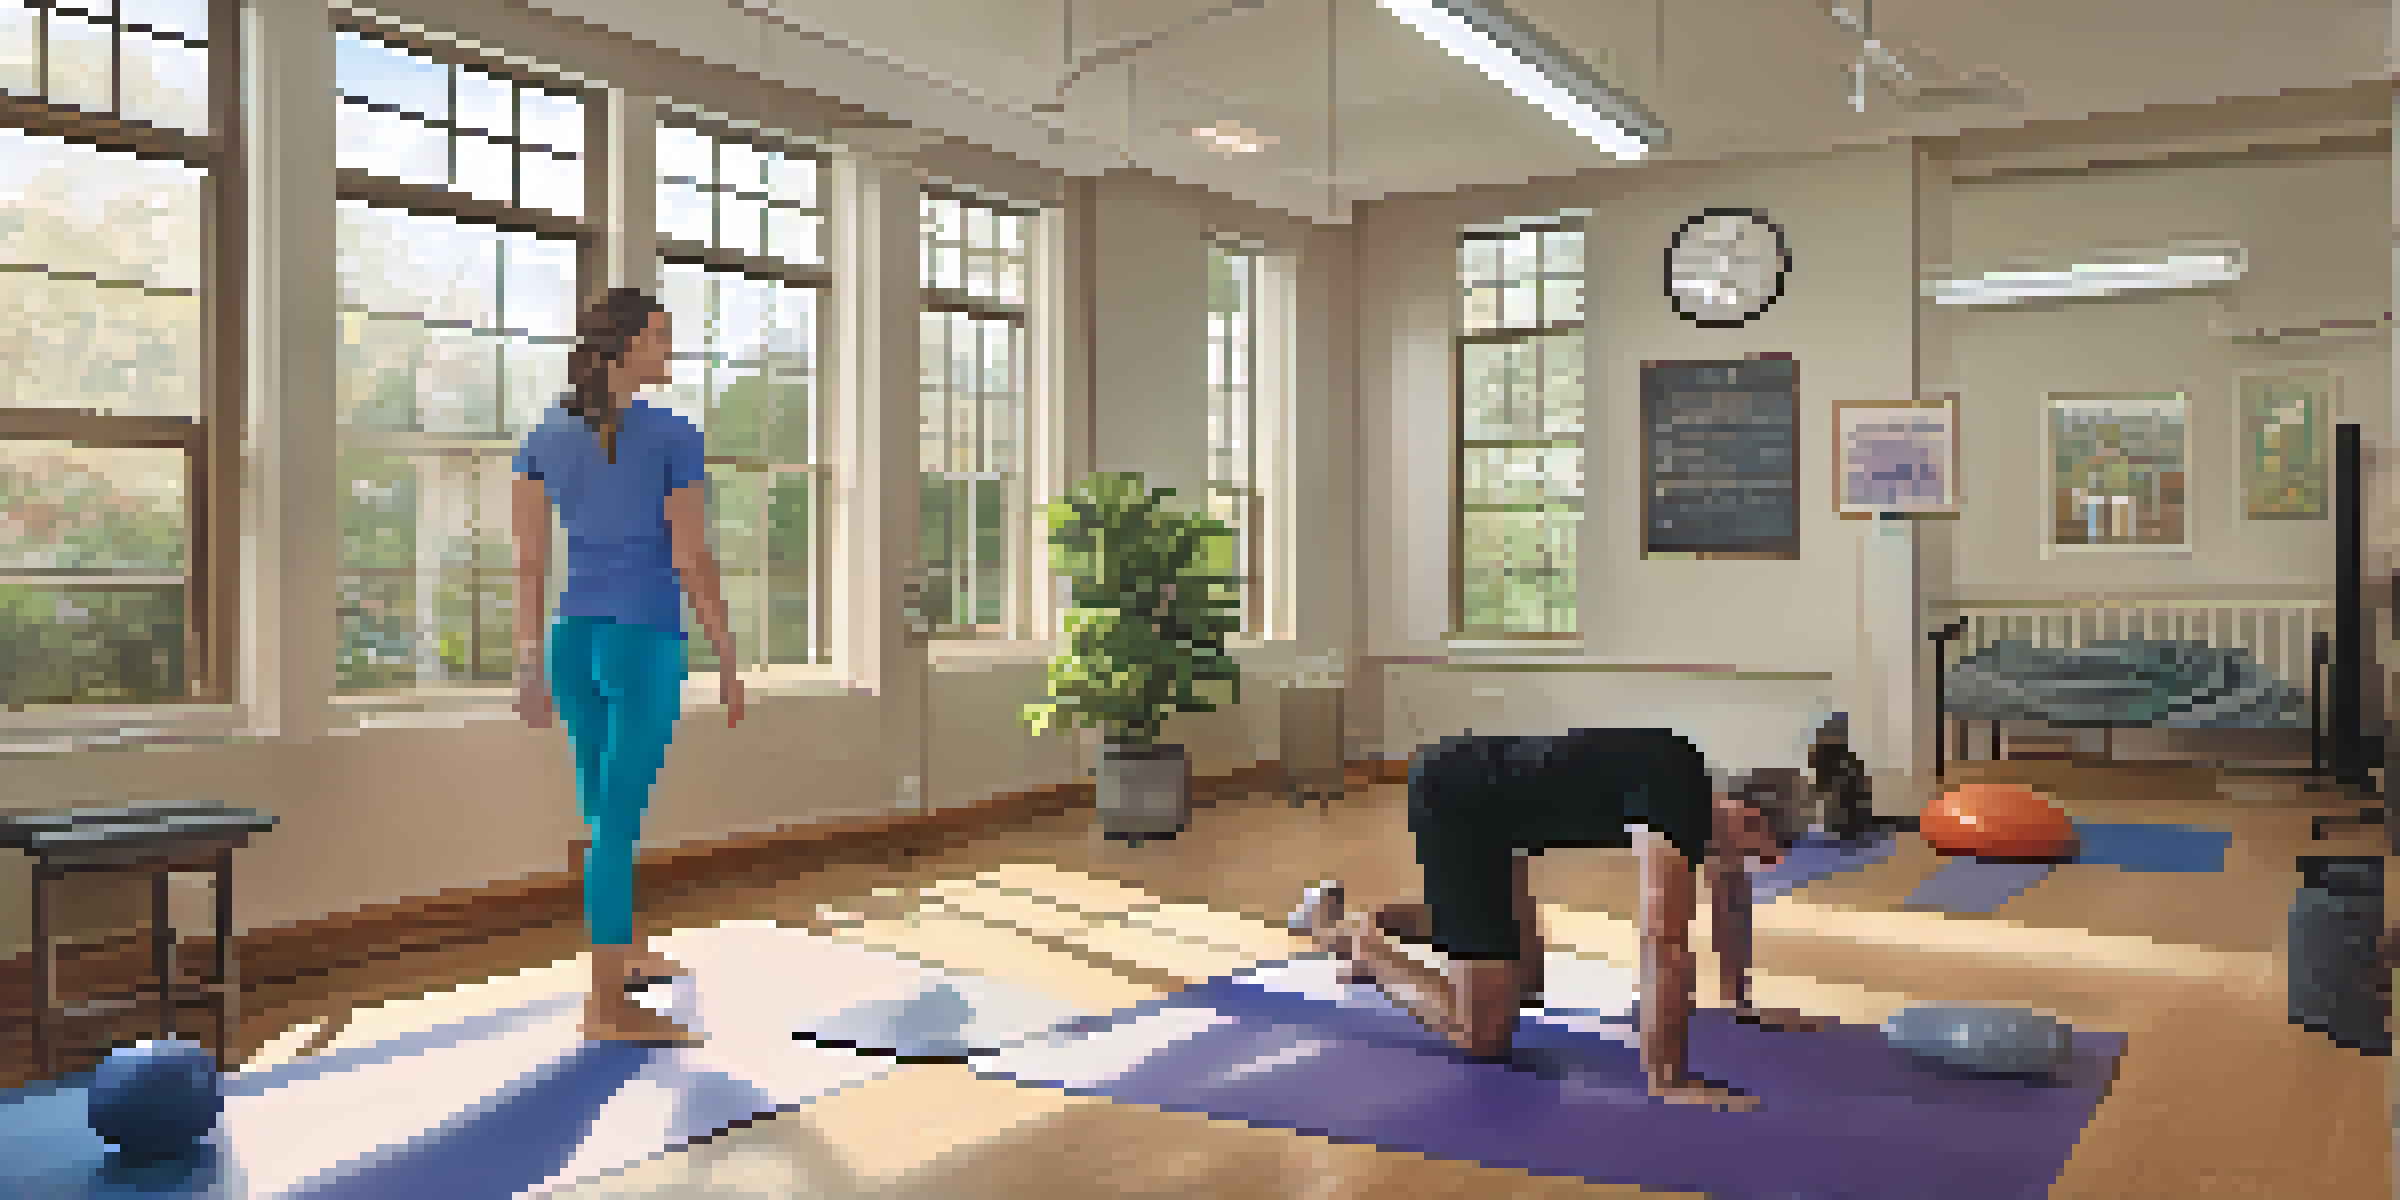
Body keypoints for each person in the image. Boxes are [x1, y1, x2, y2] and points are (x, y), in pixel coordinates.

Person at [1288, 725, 1839, 1112]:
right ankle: (1363, 942)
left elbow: (1730, 897)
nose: (1766, 864)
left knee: (1526, 986)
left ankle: (1338, 921)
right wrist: (1669, 1078)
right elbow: (1662, 942)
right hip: (1459, 803)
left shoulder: (1704, 803)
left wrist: (1742, 1002)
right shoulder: (1678, 801)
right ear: (1745, 813)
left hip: (1497, 815)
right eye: (1769, 848)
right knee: (1485, 1034)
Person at [510, 287, 746, 1045]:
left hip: (572, 643)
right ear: (623, 349)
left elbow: (528, 564)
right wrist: (728, 655)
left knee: (601, 808)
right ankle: (607, 1006)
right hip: (641, 642)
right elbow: (691, 557)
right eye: (660, 338)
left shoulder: (545, 435)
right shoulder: (673, 435)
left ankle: (628, 953)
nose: (669, 352)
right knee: (616, 823)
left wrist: (526, 666)